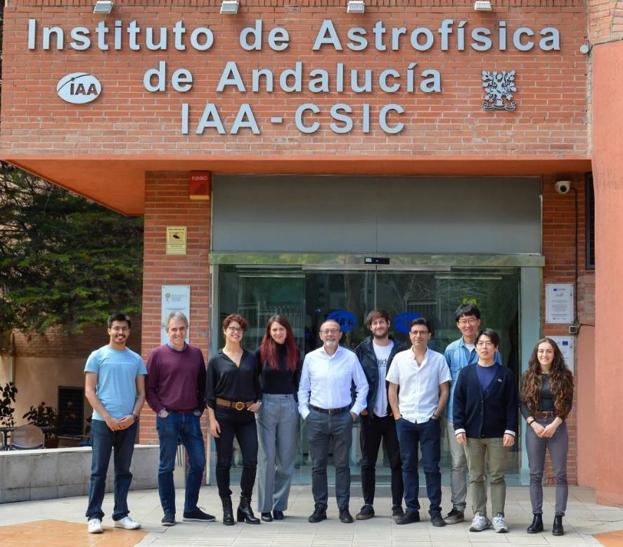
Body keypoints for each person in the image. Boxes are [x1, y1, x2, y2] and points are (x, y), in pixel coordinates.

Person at [146, 311, 214, 526]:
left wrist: (200, 408)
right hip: (168, 417)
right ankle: (169, 513)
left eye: (181, 328)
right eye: (173, 329)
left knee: (199, 462)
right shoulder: (157, 355)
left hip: (191, 417)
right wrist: (160, 410)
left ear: (187, 329)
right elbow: (149, 388)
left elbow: (203, 384)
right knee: (166, 466)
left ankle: (191, 508)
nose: (177, 333)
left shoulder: (195, 353)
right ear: (167, 331)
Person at [298, 319, 369, 524]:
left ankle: (343, 508)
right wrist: (306, 413)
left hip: (342, 417)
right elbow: (303, 389)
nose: (330, 334)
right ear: (320, 335)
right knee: (318, 465)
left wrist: (354, 413)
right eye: (326, 331)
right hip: (316, 417)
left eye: (334, 331)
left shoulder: (350, 357)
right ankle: (320, 507)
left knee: (342, 465)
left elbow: (362, 386)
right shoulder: (311, 358)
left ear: (340, 334)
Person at [84, 312, 147, 534]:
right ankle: (93, 516)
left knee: (123, 471)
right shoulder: (97, 356)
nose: (120, 332)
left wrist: (133, 416)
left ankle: (121, 514)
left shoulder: (136, 359)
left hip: (128, 423)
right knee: (98, 471)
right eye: (116, 328)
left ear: (129, 332)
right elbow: (89, 391)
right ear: (109, 330)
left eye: (124, 329)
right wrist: (107, 417)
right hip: (102, 423)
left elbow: (141, 394)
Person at [386, 318, 450, 527]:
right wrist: (397, 415)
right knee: (408, 466)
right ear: (409, 335)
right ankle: (411, 509)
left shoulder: (438, 359)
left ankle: (435, 511)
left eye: (422, 332)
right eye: (414, 332)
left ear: (429, 335)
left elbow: (444, 390)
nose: (418, 336)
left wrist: (436, 414)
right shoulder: (399, 359)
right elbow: (392, 389)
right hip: (405, 420)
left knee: (432, 467)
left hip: (429, 420)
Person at [453, 328, 518, 534]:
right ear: (476, 346)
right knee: (475, 475)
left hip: (498, 434)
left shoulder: (505, 374)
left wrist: (510, 430)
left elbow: (511, 405)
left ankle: (498, 516)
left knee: (497, 476)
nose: (484, 346)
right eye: (480, 343)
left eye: (489, 343)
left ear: (496, 347)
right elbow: (458, 402)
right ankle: (479, 515)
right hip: (471, 434)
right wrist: (459, 427)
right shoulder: (466, 373)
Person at [206, 313, 262, 526]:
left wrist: (258, 401)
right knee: (224, 462)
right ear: (225, 331)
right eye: (232, 328)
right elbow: (209, 395)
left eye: (239, 329)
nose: (235, 332)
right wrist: (212, 420)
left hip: (246, 415)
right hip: (223, 415)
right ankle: (227, 506)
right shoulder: (216, 361)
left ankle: (244, 505)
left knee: (251, 460)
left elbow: (259, 387)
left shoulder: (251, 358)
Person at [354, 309, 405, 521]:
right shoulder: (361, 350)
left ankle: (396, 506)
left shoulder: (401, 350)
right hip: (370, 415)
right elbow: (352, 378)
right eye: (374, 323)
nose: (378, 326)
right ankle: (368, 504)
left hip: (395, 415)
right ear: (370, 327)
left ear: (388, 323)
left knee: (397, 462)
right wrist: (359, 404)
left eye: (381, 322)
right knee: (368, 462)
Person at [521, 338, 574, 536]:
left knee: (560, 474)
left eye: (548, 351)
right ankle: (537, 517)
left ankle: (558, 518)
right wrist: (533, 423)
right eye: (541, 351)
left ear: (555, 354)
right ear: (536, 354)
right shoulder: (528, 376)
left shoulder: (564, 376)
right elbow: (523, 404)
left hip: (557, 425)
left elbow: (567, 403)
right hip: (534, 426)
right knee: (535, 474)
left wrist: (555, 423)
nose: (544, 355)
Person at [255, 315, 301, 522]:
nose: (278, 333)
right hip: (266, 404)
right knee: (267, 458)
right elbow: (252, 378)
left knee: (286, 459)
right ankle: (265, 507)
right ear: (269, 332)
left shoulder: (294, 353)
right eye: (274, 330)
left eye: (281, 329)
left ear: (287, 331)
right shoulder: (261, 353)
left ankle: (279, 505)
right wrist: (255, 400)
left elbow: (299, 381)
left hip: (289, 404)